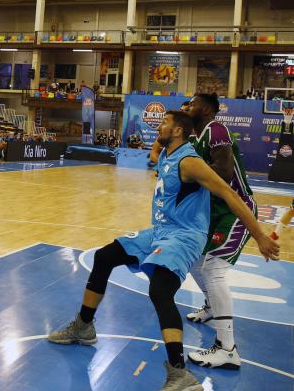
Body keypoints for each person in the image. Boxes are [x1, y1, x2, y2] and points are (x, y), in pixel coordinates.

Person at [47, 111, 279, 390]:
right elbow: (156, 154)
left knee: (159, 290)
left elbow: (230, 194)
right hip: (159, 231)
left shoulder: (191, 162)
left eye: (165, 123)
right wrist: (159, 144)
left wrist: (260, 236)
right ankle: (84, 327)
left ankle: (179, 374)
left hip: (184, 237)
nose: (160, 126)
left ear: (179, 131)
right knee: (104, 256)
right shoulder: (169, 153)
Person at [185, 93, 258, 369]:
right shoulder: (197, 137)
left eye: (192, 103)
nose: (188, 107)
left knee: (213, 269)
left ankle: (227, 348)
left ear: (205, 108)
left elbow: (224, 172)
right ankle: (211, 307)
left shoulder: (216, 129)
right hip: (215, 212)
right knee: (194, 260)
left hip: (235, 208)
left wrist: (187, 178)